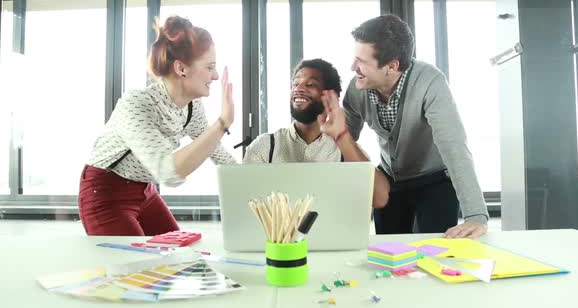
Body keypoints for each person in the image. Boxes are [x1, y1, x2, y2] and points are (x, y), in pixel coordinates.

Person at [78, 16, 235, 236]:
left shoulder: (192, 106)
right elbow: (168, 172)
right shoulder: (137, 104)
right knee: (134, 267)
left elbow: (213, 148)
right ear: (181, 68)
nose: (216, 75)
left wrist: (246, 180)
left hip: (145, 191)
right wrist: (222, 123)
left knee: (176, 257)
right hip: (105, 191)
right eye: (210, 67)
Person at [343, 14, 488, 238]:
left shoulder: (430, 82)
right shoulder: (357, 89)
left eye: (362, 61)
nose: (353, 67)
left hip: (435, 180)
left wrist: (476, 216)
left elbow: (454, 146)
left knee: (437, 250)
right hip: (390, 180)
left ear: (391, 66)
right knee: (390, 254)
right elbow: (343, 143)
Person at [244, 58, 390, 208]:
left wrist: (341, 136)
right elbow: (243, 200)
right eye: (295, 84)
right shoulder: (265, 147)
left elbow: (379, 198)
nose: (298, 88)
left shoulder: (345, 151)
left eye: (311, 84)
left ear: (330, 96)